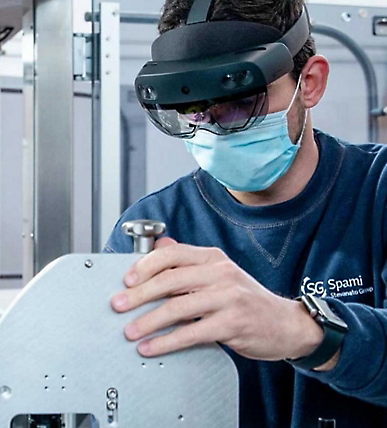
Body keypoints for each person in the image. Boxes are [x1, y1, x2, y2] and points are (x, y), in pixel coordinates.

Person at [102, 0, 387, 426]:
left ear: (309, 83)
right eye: (193, 109)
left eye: (238, 103)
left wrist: (302, 329)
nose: (214, 129)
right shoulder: (150, 230)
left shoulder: (376, 192)